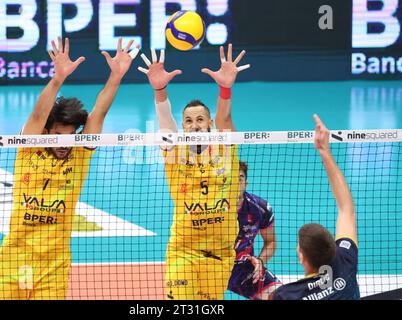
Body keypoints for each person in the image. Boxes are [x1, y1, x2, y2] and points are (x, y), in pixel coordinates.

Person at [0, 37, 139, 300]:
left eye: (70, 136)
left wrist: (116, 76)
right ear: (47, 132)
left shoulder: (79, 154)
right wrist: (57, 79)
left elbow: (98, 113)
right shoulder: (29, 148)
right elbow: (37, 116)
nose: (64, 143)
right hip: (15, 256)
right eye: (59, 136)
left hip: (54, 264)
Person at [138, 44, 250, 300]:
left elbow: (225, 119)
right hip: (183, 251)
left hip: (220, 255)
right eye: (188, 121)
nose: (195, 126)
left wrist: (225, 88)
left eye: (200, 120)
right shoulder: (175, 154)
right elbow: (166, 124)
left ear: (209, 124)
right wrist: (159, 90)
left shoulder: (226, 150)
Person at [272, 115, 360, 300]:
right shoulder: (346, 263)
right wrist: (325, 152)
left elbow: (347, 210)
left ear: (301, 257)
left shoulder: (285, 295)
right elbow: (347, 209)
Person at [227, 161, 282, 300]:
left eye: (239, 179)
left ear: (245, 183)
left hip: (243, 269)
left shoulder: (260, 209)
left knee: (281, 297)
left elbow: (270, 241)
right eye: (231, 179)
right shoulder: (209, 210)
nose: (235, 184)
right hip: (210, 267)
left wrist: (260, 261)